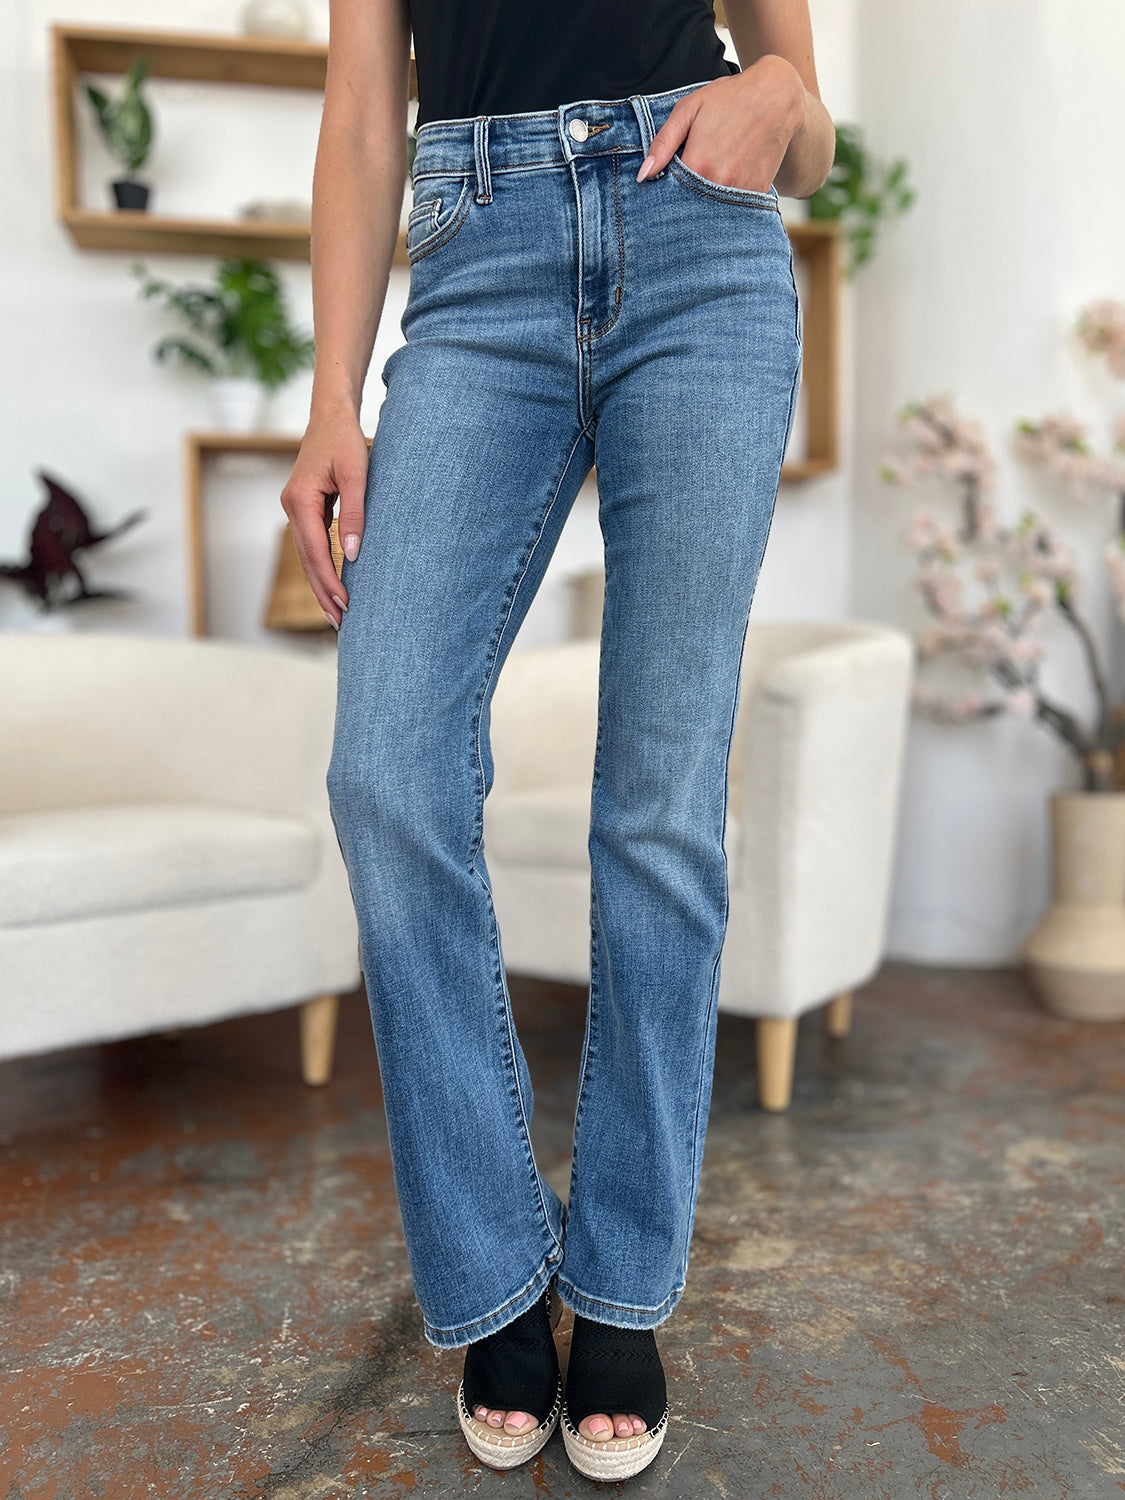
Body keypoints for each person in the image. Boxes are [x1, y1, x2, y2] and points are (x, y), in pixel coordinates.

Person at [282, 0, 835, 1481]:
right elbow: (357, 109)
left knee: (658, 800)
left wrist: (775, 84)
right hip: (478, 262)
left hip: (701, 254)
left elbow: (815, 130)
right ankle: (499, 1279)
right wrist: (332, 394)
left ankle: (618, 1291)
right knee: (386, 766)